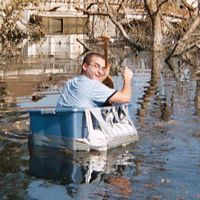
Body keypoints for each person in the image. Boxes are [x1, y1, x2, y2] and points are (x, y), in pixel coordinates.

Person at [56, 52, 133, 108]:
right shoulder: (94, 87)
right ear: (85, 67)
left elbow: (89, 92)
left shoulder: (70, 83)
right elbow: (126, 98)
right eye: (96, 66)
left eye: (102, 68)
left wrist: (102, 77)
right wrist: (127, 79)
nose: (100, 71)